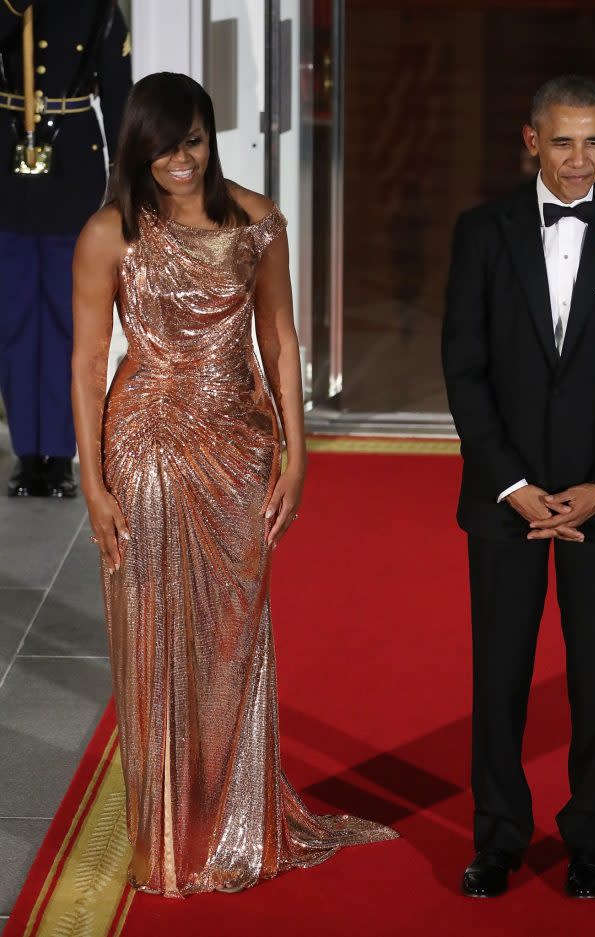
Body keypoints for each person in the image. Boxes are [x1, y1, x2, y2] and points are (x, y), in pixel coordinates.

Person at [71, 72, 396, 897]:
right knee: (150, 638)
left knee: (233, 640)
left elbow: (281, 339)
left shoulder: (256, 220)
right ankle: (168, 835)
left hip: (239, 451)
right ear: (136, 148)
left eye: (193, 141)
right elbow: (83, 365)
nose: (179, 160)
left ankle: (238, 822)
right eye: (163, 144)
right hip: (142, 447)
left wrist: (297, 448)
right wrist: (93, 482)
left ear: (212, 139)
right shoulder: (110, 233)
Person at [442, 75, 595, 899]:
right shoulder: (481, 233)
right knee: (499, 676)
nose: (580, 161)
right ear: (532, 139)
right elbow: (464, 371)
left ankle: (591, 839)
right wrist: (511, 484)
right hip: (505, 502)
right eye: (564, 142)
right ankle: (499, 838)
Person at [0, 0, 131, 497]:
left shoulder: (98, 8)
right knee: (12, 320)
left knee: (63, 318)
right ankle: (26, 453)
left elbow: (119, 93)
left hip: (70, 163)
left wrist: (126, 180)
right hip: (8, 169)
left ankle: (59, 455)